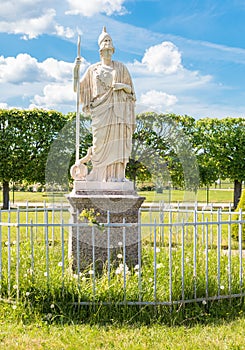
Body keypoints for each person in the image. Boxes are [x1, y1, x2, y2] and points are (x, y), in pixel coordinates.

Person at [73, 26, 136, 182]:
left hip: (118, 111)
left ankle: (118, 175)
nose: (107, 43)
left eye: (109, 41)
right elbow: (78, 89)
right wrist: (76, 70)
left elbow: (132, 93)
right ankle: (98, 175)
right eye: (105, 41)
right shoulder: (92, 70)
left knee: (118, 142)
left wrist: (121, 86)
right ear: (100, 48)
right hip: (100, 110)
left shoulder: (121, 68)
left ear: (113, 48)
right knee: (99, 143)